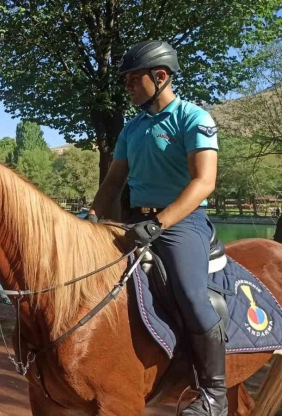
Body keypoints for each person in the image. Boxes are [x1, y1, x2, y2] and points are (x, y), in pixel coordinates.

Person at [88, 41, 224, 416]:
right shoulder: (132, 129)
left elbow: (204, 182)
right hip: (136, 220)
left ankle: (214, 395)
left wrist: (161, 222)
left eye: (133, 79)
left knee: (190, 293)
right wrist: (91, 221)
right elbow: (114, 183)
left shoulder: (194, 119)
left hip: (183, 222)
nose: (128, 87)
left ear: (160, 76)